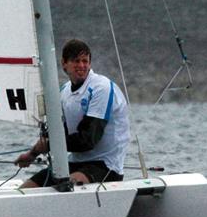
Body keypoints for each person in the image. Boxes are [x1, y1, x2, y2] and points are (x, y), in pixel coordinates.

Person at [15, 39, 130, 187]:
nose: (81, 66)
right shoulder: (64, 91)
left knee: (66, 185)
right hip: (74, 163)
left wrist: (50, 145)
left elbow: (88, 140)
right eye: (76, 61)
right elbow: (55, 133)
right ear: (64, 63)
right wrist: (31, 155)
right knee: (26, 189)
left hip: (105, 166)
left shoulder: (101, 88)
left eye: (85, 61)